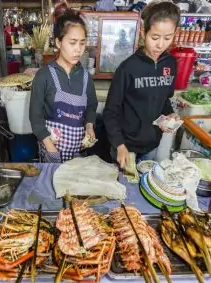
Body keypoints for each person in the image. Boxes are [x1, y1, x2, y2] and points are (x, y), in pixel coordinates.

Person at [103, 1, 181, 168]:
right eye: (155, 37)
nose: (160, 44)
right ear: (143, 32)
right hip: (125, 147)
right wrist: (119, 145)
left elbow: (164, 99)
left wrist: (170, 114)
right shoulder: (128, 68)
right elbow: (110, 112)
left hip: (152, 145)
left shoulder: (170, 64)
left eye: (168, 38)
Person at [29, 9, 98, 163]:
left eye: (82, 42)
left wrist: (89, 126)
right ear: (58, 42)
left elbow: (91, 106)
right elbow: (35, 117)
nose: (78, 49)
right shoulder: (44, 75)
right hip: (51, 150)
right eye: (72, 43)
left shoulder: (86, 77)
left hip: (78, 153)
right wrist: (50, 149)